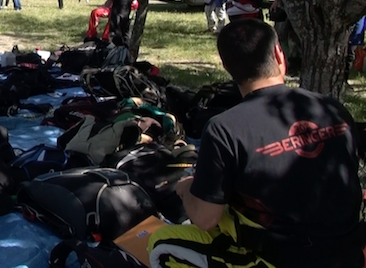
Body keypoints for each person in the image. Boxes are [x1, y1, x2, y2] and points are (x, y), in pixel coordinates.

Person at [148, 19, 363, 268]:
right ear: (278, 54)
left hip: (282, 259)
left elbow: (205, 220)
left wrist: (187, 189)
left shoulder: (224, 129)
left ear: (227, 67)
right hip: (350, 252)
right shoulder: (332, 108)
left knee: (161, 245)